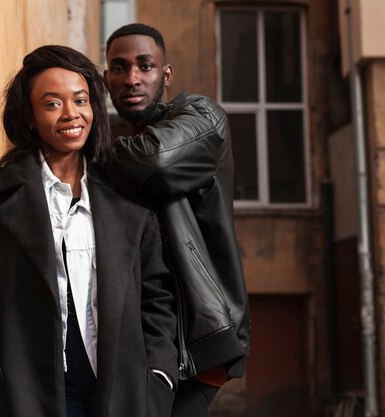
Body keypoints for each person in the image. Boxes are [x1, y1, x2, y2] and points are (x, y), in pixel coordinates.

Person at [0, 45, 178, 417]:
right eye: (52, 104)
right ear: (30, 117)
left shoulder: (125, 188)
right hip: (30, 389)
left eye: (80, 100)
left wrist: (158, 374)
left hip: (121, 385)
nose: (71, 114)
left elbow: (156, 294)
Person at [104, 23, 251, 417]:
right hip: (151, 334)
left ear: (165, 74)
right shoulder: (126, 142)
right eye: (119, 68)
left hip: (198, 337)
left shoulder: (202, 116)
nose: (131, 79)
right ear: (107, 79)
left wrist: (87, 153)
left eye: (145, 66)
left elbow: (157, 162)